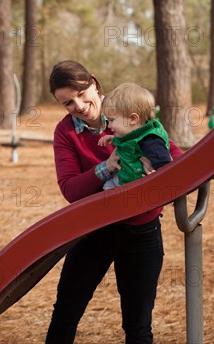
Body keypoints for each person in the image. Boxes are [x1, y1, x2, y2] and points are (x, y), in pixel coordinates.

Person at [46, 60, 183, 344]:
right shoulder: (66, 133)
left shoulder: (127, 109)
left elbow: (175, 160)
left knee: (138, 323)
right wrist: (106, 167)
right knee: (66, 312)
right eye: (68, 103)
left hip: (141, 230)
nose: (79, 107)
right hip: (93, 229)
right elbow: (71, 189)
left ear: (94, 84)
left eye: (82, 95)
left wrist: (157, 170)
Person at [98, 82, 172, 191]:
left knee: (108, 189)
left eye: (112, 120)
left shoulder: (150, 140)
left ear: (133, 119)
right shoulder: (134, 133)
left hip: (137, 186)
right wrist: (113, 139)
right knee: (107, 186)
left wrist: (157, 177)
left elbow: (165, 165)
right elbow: (130, 143)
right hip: (126, 178)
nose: (109, 125)